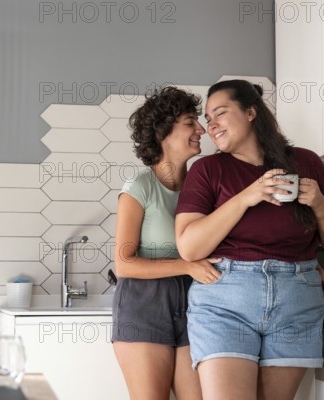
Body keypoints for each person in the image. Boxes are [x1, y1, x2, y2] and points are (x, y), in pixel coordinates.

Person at [174, 79, 324, 400]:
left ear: (251, 112)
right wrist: (247, 196)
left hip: (297, 298)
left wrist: (319, 202)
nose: (211, 125)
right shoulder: (207, 170)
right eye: (208, 118)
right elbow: (189, 247)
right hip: (226, 300)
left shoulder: (306, 162)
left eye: (220, 113)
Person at [112, 86, 222, 400]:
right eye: (191, 122)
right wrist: (186, 266)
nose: (202, 129)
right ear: (164, 132)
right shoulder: (139, 188)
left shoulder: (203, 189)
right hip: (143, 307)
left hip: (197, 305)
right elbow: (124, 262)